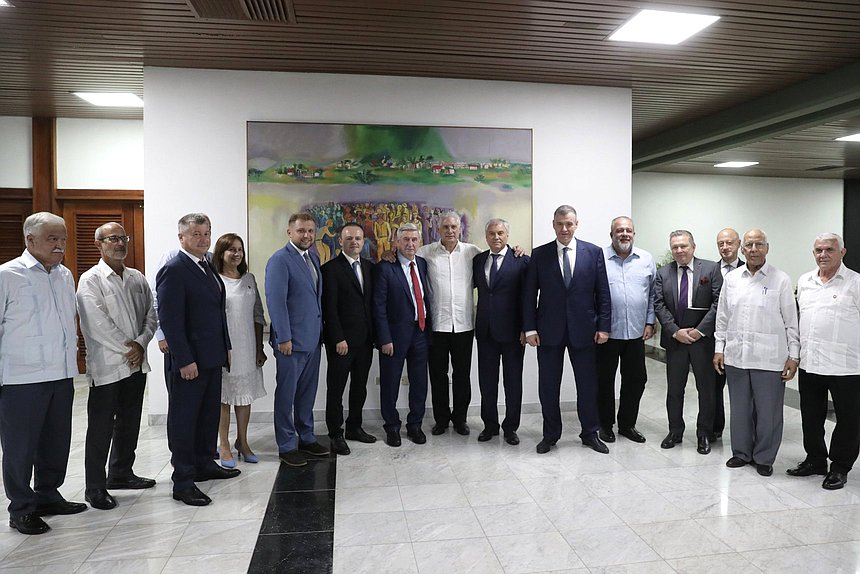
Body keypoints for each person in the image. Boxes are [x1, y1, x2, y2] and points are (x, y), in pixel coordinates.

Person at [0, 212, 86, 535]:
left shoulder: (64, 276)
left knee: (56, 441)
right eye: (53, 238)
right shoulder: (7, 275)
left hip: (61, 374)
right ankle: (21, 508)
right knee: (20, 448)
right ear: (30, 240)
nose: (61, 245)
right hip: (21, 379)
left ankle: (48, 494)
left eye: (63, 238)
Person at [157, 213, 240, 507]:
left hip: (212, 357)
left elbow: (218, 313)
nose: (203, 239)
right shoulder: (174, 269)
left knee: (207, 416)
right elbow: (170, 319)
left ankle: (205, 464)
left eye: (206, 234)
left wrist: (226, 346)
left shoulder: (207, 266)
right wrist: (184, 360)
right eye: (196, 234)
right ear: (182, 238)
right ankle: (183, 481)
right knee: (184, 421)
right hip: (189, 362)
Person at [77, 222, 158, 511]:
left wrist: (141, 342)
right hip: (109, 366)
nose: (120, 243)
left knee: (129, 421)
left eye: (123, 237)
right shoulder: (91, 280)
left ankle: (122, 473)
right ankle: (95, 487)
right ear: (99, 244)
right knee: (101, 428)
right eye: (112, 239)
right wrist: (130, 348)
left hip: (135, 364)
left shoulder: (137, 278)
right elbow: (96, 324)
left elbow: (152, 314)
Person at [523, 205, 611, 455]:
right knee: (548, 387)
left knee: (587, 386)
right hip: (548, 331)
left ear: (576, 224)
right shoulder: (540, 255)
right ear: (553, 225)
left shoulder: (593, 252)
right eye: (560, 224)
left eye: (569, 224)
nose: (564, 228)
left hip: (585, 331)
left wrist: (604, 327)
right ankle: (550, 435)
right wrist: (529, 328)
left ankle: (589, 433)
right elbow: (530, 295)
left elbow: (603, 293)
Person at [714, 229, 799, 477]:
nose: (753, 249)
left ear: (767, 248)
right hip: (736, 357)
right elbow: (723, 318)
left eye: (758, 244)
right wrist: (719, 349)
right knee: (739, 410)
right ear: (743, 249)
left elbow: (791, 322)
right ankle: (741, 453)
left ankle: (764, 457)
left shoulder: (780, 279)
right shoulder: (732, 279)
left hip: (769, 358)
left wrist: (793, 356)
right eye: (749, 245)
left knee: (768, 412)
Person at [791, 233, 860, 490]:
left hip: (847, 367)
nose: (823, 254)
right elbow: (800, 323)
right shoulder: (805, 281)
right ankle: (815, 460)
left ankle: (840, 467)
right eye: (818, 250)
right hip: (811, 364)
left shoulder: (855, 283)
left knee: (848, 420)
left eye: (829, 249)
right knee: (811, 417)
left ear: (842, 252)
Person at [265, 213, 329, 467]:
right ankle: (287, 444)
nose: (307, 235)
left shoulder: (312, 257)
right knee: (287, 395)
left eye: (311, 231)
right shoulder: (280, 260)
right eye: (301, 231)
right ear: (289, 232)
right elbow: (275, 301)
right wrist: (283, 337)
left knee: (307, 393)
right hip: (290, 342)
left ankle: (307, 436)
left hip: (313, 339)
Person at [654, 230, 722, 455]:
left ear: (693, 246)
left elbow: (718, 302)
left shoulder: (711, 269)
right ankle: (675, 431)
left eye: (684, 246)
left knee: (706, 389)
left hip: (702, 341)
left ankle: (704, 433)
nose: (680, 250)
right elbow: (659, 304)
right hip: (676, 342)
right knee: (675, 389)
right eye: (675, 247)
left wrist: (700, 331)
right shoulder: (663, 273)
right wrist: (675, 331)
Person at [417, 211, 482, 436]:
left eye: (454, 227)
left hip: (464, 325)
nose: (450, 231)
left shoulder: (473, 253)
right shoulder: (425, 253)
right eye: (445, 227)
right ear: (438, 229)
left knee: (462, 375)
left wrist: (518, 251)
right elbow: (403, 260)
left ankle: (460, 420)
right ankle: (441, 420)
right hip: (438, 325)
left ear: (460, 229)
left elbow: (497, 257)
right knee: (438, 375)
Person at [597, 216, 656, 444]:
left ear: (634, 233)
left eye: (628, 230)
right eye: (619, 230)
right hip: (606, 334)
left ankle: (627, 424)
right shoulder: (599, 258)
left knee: (636, 379)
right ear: (611, 233)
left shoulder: (646, 259)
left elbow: (652, 294)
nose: (624, 234)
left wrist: (650, 321)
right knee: (604, 380)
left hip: (636, 333)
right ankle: (605, 425)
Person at [373, 223, 432, 447]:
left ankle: (415, 425)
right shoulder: (385, 268)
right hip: (394, 337)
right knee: (390, 384)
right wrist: (384, 339)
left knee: (419, 383)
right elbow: (378, 307)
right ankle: (392, 427)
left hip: (421, 332)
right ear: (396, 243)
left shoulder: (423, 264)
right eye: (405, 240)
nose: (410, 244)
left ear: (419, 242)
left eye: (414, 240)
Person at [321, 223, 377, 455]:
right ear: (341, 242)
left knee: (359, 387)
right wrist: (338, 338)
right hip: (341, 343)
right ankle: (335, 433)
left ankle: (355, 426)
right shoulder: (331, 269)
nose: (354, 242)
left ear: (363, 241)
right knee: (336, 389)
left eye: (358, 238)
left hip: (365, 341)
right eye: (349, 238)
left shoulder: (370, 267)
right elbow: (329, 309)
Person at [212, 233, 267, 467]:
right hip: (225, 348)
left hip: (247, 346)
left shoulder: (249, 279)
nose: (236, 254)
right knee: (224, 398)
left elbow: (257, 315)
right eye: (231, 250)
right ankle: (223, 444)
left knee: (244, 397)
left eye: (240, 250)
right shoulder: (214, 280)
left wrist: (259, 347)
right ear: (221, 253)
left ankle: (242, 442)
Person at [473, 218, 529, 445]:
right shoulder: (478, 260)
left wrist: (527, 328)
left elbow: (527, 298)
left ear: (507, 235)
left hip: (513, 333)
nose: (496, 237)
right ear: (486, 237)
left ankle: (511, 427)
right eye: (492, 233)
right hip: (486, 331)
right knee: (487, 382)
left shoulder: (522, 261)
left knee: (512, 382)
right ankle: (490, 425)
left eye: (500, 233)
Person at [713, 227, 744, 439]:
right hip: (716, 342)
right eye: (721, 244)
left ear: (738, 244)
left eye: (729, 243)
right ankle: (715, 429)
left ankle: (743, 434)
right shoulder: (709, 270)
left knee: (742, 394)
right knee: (714, 390)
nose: (725, 247)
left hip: (741, 342)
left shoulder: (751, 269)